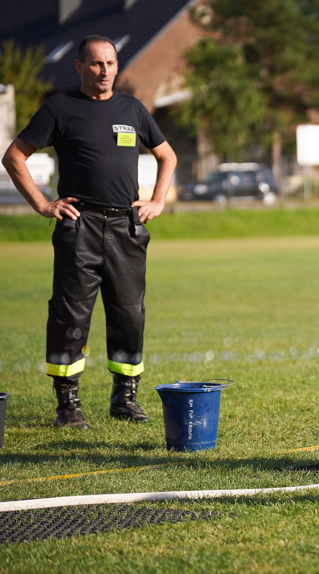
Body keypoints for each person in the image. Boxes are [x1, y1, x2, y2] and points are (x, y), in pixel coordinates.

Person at [1, 35, 177, 429]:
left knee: (129, 313)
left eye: (111, 63)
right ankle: (68, 405)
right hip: (78, 226)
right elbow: (14, 156)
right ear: (79, 66)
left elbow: (167, 154)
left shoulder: (132, 108)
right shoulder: (59, 108)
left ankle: (124, 398)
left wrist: (158, 200)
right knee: (69, 315)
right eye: (97, 64)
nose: (105, 71)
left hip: (126, 228)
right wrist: (44, 204)